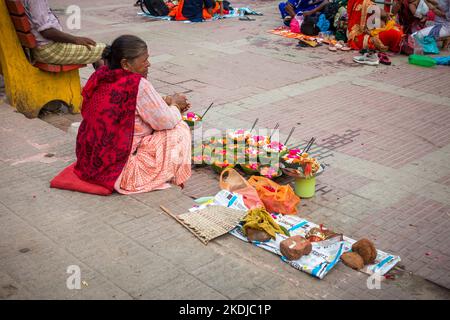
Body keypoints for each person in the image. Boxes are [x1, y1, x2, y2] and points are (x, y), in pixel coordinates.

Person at [75, 35, 192, 194]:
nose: (148, 64)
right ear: (126, 64)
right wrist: (176, 105)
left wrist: (167, 101)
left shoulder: (102, 74)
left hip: (89, 163)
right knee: (179, 129)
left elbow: (135, 105)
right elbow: (166, 121)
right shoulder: (137, 84)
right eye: (144, 60)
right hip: (121, 173)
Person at [22, 0, 105, 66]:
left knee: (94, 50)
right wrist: (75, 39)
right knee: (108, 50)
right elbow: (46, 31)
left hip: (43, 48)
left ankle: (99, 82)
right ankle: (109, 85)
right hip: (50, 50)